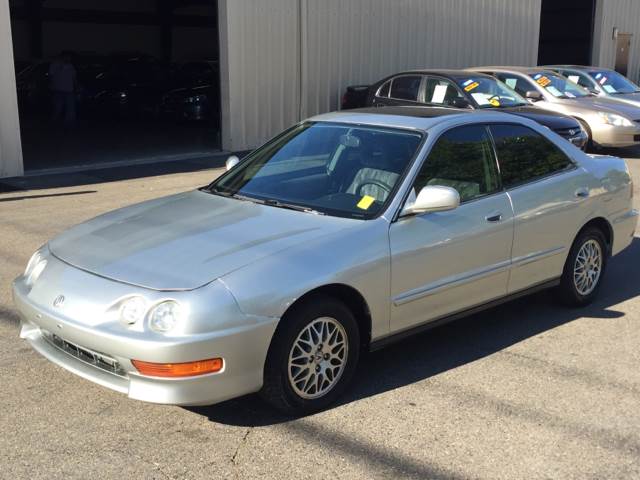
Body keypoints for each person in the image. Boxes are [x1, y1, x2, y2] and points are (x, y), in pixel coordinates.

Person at [49, 51, 77, 126]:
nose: (69, 58)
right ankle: (54, 123)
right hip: (58, 90)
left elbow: (74, 78)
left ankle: (68, 124)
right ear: (63, 56)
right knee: (57, 108)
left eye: (70, 57)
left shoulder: (71, 66)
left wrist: (77, 86)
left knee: (70, 109)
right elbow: (51, 77)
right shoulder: (54, 65)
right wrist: (52, 86)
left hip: (69, 90)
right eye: (68, 57)